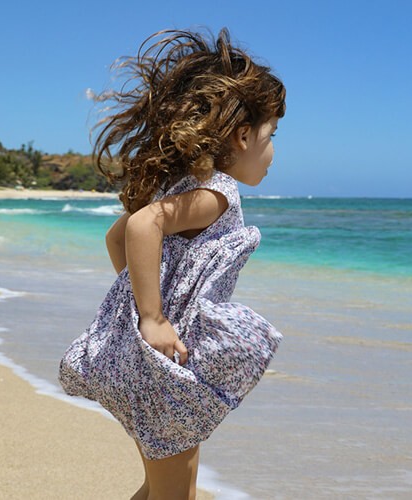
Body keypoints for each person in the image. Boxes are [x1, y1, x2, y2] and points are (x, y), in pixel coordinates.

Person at [59, 28, 285, 500]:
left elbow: (117, 235)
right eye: (272, 135)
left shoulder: (178, 186)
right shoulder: (217, 194)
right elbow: (143, 227)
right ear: (243, 136)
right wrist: (152, 317)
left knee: (162, 488)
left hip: (144, 369)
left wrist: (137, 304)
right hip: (161, 372)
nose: (274, 151)